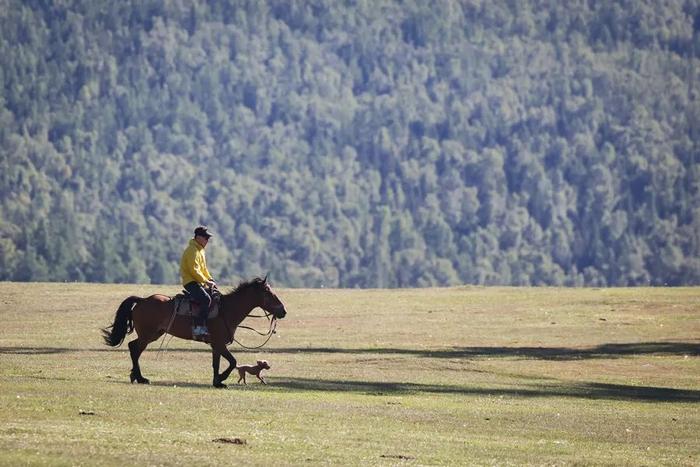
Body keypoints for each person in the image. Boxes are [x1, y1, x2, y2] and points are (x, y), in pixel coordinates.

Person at [180, 225, 217, 340]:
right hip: (190, 282)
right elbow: (194, 270)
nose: (207, 240)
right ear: (198, 237)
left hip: (198, 281)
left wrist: (210, 279)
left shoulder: (200, 250)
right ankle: (198, 328)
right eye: (206, 238)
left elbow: (204, 269)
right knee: (206, 299)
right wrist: (206, 281)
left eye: (208, 238)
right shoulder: (192, 250)